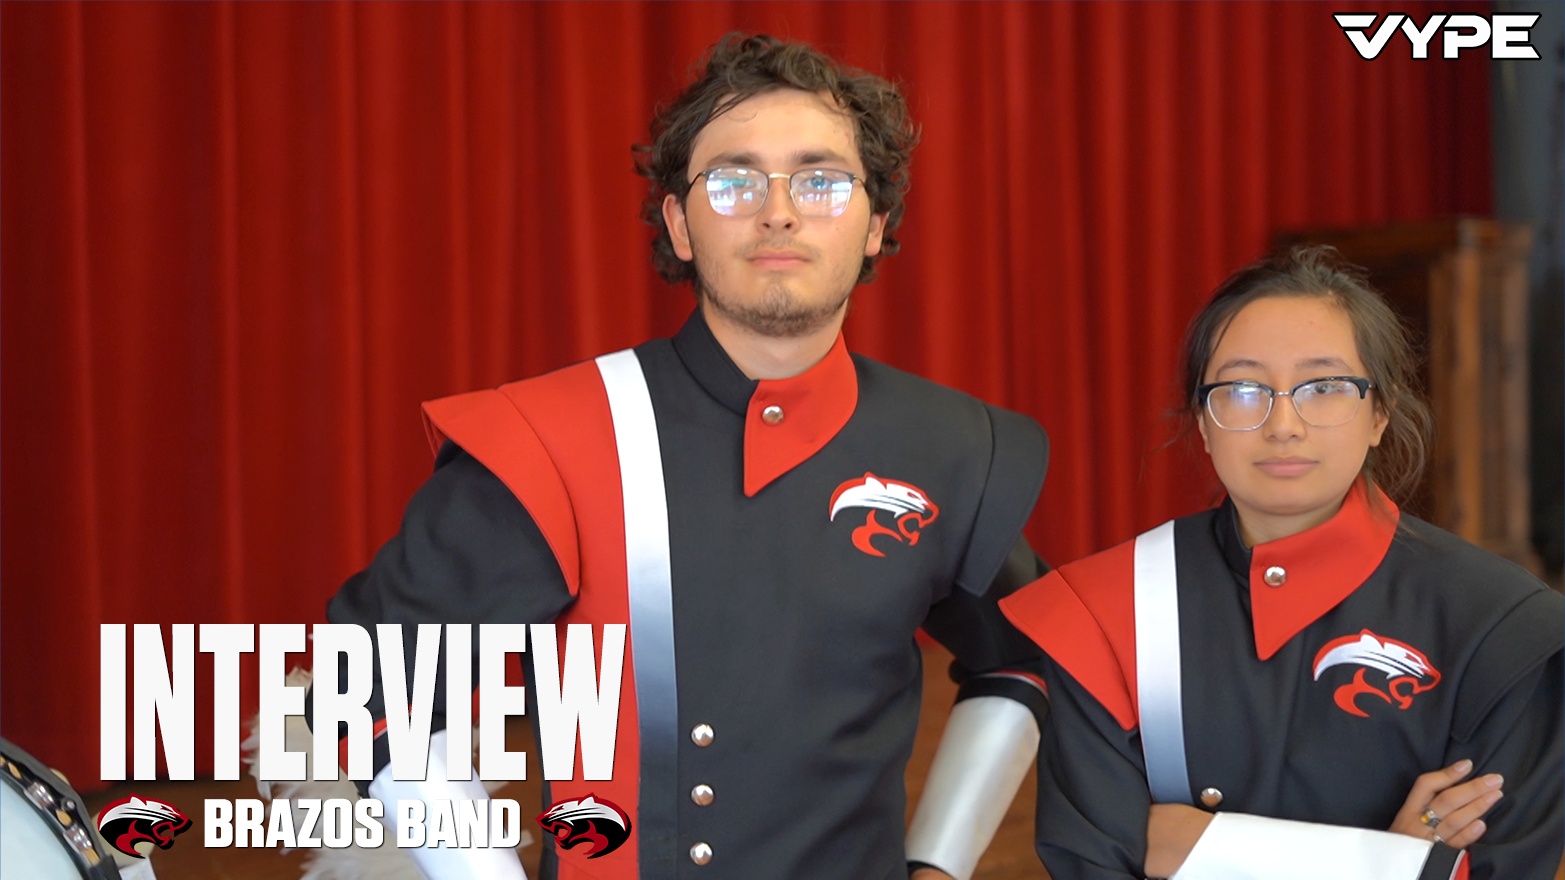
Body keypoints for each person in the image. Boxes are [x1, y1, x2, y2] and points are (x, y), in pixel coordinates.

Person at [312, 34, 1052, 880]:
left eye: (819, 180)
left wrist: (938, 864)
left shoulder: (950, 445)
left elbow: (1024, 658)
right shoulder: (547, 436)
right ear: (679, 225)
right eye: (734, 181)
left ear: (875, 225)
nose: (778, 211)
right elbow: (366, 688)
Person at [1000, 247, 1563, 880]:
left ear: (1379, 414)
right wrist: (1393, 863)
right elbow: (1091, 863)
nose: (1284, 425)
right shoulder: (1105, 609)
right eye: (1243, 390)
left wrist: (1190, 843)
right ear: (1203, 422)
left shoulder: (1504, 629)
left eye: (1324, 388)